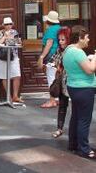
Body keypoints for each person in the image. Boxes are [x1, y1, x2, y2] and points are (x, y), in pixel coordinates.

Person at [62, 25, 96, 159]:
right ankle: (84, 149)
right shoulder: (78, 52)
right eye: (86, 37)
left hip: (74, 87)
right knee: (84, 119)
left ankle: (73, 144)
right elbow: (90, 70)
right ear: (80, 38)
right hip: (84, 88)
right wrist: (94, 58)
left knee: (76, 117)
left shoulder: (68, 50)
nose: (88, 40)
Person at [0, 17, 23, 103]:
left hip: (13, 56)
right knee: (4, 76)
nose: (8, 26)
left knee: (17, 75)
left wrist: (19, 40)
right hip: (2, 57)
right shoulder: (0, 32)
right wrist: (5, 37)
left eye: (10, 24)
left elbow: (19, 43)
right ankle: (8, 97)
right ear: (3, 25)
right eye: (6, 24)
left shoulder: (15, 32)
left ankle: (15, 96)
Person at [50, 26, 71, 138]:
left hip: (72, 82)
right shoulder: (59, 50)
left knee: (75, 107)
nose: (61, 42)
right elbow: (55, 61)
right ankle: (59, 128)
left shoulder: (72, 50)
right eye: (59, 40)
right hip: (63, 81)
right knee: (62, 106)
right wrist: (56, 67)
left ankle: (75, 129)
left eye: (63, 39)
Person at [38, 10, 61, 108]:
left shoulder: (51, 30)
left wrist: (42, 57)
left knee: (51, 77)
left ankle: (52, 100)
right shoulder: (60, 28)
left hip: (52, 56)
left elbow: (49, 44)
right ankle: (57, 98)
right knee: (58, 77)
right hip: (59, 55)